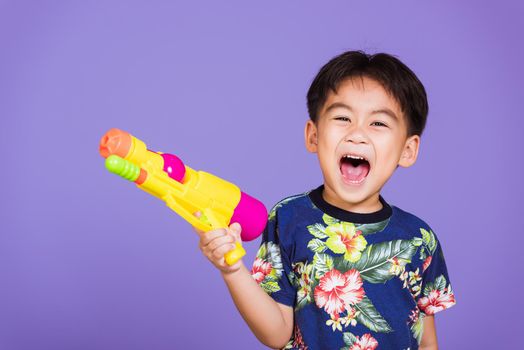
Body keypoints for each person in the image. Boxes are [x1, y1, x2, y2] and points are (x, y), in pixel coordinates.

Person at [194, 50, 456, 350]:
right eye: (343, 118)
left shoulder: (419, 239)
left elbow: (427, 341)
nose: (357, 135)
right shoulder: (288, 217)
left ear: (407, 150)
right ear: (313, 135)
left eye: (379, 123)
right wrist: (231, 269)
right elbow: (277, 334)